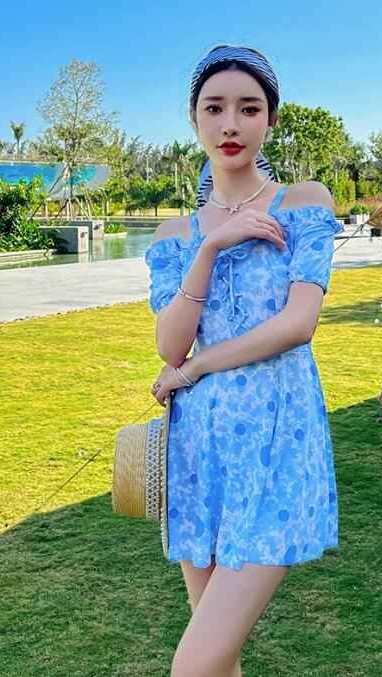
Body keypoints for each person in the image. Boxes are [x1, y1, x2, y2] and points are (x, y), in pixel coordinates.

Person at [144, 44, 341, 677]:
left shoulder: (304, 203)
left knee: (192, 666)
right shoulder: (174, 236)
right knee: (218, 660)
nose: (230, 123)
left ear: (271, 120)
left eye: (249, 108)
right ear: (194, 119)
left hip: (279, 443)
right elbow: (170, 345)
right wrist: (210, 249)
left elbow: (298, 324)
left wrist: (200, 367)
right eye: (215, 108)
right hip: (199, 453)